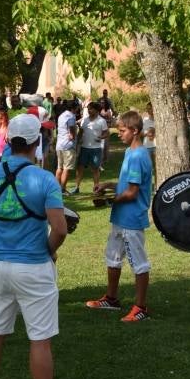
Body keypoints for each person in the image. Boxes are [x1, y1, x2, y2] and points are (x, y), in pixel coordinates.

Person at [0, 113, 74, 379]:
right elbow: (60, 229)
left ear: (9, 142)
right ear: (35, 143)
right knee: (39, 339)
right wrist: (48, 250)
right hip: (33, 267)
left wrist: (8, 217)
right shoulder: (44, 179)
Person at [85, 110, 152, 322]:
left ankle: (141, 307)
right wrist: (108, 185)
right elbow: (126, 186)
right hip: (120, 218)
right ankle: (111, 299)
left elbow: (132, 193)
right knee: (112, 258)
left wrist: (108, 201)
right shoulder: (130, 153)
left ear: (135, 131)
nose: (119, 134)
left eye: (122, 131)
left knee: (138, 263)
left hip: (132, 220)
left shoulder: (139, 155)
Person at [73, 102, 108, 194]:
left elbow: (106, 133)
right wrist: (77, 143)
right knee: (80, 167)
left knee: (95, 169)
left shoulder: (102, 121)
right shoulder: (85, 120)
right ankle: (76, 187)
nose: (89, 110)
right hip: (84, 147)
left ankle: (96, 188)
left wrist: (101, 137)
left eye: (91, 109)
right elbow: (80, 132)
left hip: (96, 149)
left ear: (97, 110)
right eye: (88, 108)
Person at [54, 100, 78, 192]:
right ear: (73, 108)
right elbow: (72, 133)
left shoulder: (62, 115)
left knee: (59, 167)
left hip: (59, 144)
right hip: (68, 145)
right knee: (67, 168)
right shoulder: (71, 116)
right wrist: (74, 135)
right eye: (77, 107)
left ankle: (56, 188)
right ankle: (63, 189)